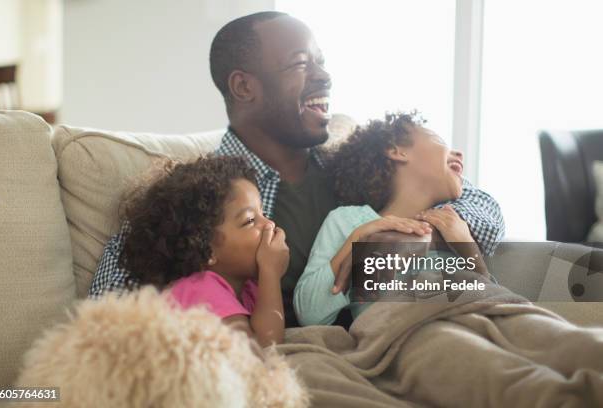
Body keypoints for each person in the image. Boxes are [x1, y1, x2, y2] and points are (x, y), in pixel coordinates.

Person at [89, 11, 505, 328]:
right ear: (244, 87)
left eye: (321, 62)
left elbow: (484, 211)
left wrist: (414, 234)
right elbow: (103, 315)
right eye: (301, 64)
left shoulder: (350, 170)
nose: (324, 75)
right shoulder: (202, 196)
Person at [294, 112, 493, 326]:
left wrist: (467, 247)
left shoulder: (454, 225)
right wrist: (358, 240)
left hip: (470, 329)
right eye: (439, 141)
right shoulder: (349, 220)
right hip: (405, 338)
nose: (460, 154)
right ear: (397, 151)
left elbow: (489, 302)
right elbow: (309, 314)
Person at [118, 155, 288, 347]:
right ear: (207, 251)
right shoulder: (200, 289)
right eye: (249, 220)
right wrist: (270, 273)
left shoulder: (248, 287)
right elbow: (262, 351)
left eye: (263, 213)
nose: (269, 224)